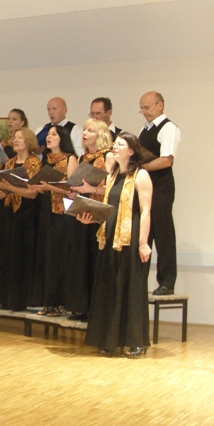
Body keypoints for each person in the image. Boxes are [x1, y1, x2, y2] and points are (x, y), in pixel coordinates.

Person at [78, 132, 153, 358]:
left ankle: (136, 341)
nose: (115, 147)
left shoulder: (141, 175)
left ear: (131, 150)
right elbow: (109, 209)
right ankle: (110, 340)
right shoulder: (112, 175)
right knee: (110, 288)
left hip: (131, 239)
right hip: (110, 237)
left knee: (132, 288)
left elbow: (146, 211)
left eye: (120, 144)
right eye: (115, 144)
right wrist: (91, 218)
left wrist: (143, 243)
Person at [29, 125, 81, 316]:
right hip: (46, 210)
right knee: (47, 255)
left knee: (60, 256)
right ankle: (48, 302)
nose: (49, 137)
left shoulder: (70, 158)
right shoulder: (46, 159)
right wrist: (38, 187)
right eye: (48, 134)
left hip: (63, 213)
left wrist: (50, 187)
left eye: (54, 134)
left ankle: (60, 302)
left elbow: (72, 190)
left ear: (62, 138)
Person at [66, 119, 114, 321]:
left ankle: (98, 310)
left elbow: (113, 189)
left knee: (97, 260)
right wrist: (74, 192)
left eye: (90, 130)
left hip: (99, 214)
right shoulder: (83, 157)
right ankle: (84, 307)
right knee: (82, 260)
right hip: (83, 211)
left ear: (100, 135)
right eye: (84, 130)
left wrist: (91, 189)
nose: (85, 133)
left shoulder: (108, 156)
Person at [0, 128, 42, 311]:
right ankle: (5, 297)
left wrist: (11, 188)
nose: (16, 140)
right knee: (6, 254)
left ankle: (20, 299)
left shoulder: (35, 163)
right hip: (8, 213)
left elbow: (33, 193)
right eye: (15, 138)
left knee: (22, 255)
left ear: (28, 142)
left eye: (20, 138)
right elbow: (2, 188)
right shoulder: (9, 163)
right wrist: (0, 193)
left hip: (26, 213)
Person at [139, 91, 180, 296]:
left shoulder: (168, 127)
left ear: (160, 105)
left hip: (161, 186)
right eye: (142, 109)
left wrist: (140, 168)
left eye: (147, 107)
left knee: (163, 234)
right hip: (145, 187)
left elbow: (166, 160)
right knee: (144, 233)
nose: (144, 112)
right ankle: (139, 281)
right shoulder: (144, 130)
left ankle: (167, 282)